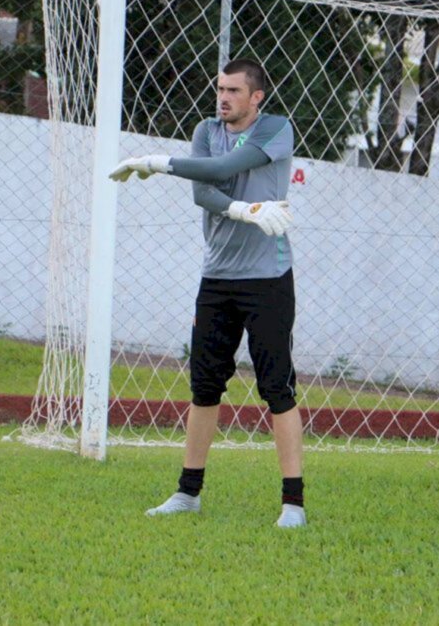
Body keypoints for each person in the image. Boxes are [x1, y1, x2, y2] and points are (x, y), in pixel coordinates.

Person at [109, 58, 306, 528]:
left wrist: (155, 163)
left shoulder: (276, 128)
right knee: (204, 388)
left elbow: (225, 167)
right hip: (217, 277)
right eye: (220, 89)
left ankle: (292, 506)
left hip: (268, 278)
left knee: (277, 388)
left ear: (256, 97)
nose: (223, 98)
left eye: (234, 91)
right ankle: (187, 494)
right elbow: (203, 189)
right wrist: (242, 209)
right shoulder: (205, 129)